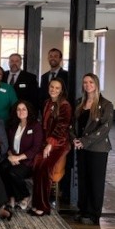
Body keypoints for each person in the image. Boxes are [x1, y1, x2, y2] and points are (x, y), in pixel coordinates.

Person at [72, 73, 114, 226]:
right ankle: (83, 209)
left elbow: (104, 129)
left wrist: (84, 141)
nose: (87, 85)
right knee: (82, 180)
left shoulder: (106, 104)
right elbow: (73, 125)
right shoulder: (79, 103)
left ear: (96, 84)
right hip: (81, 147)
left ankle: (93, 213)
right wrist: (74, 139)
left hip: (98, 148)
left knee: (95, 181)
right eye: (85, 82)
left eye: (90, 82)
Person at [29, 77, 72, 217]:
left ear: (61, 90)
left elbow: (62, 127)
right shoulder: (46, 102)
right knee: (36, 166)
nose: (53, 90)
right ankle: (36, 203)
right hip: (46, 142)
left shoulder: (65, 105)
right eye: (52, 87)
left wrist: (50, 144)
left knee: (44, 169)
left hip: (59, 144)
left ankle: (44, 207)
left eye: (57, 88)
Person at [1, 100, 43, 211]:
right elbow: (8, 145)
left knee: (13, 173)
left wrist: (18, 158)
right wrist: (10, 155)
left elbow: (36, 148)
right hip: (13, 158)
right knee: (1, 168)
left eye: (24, 109)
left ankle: (25, 196)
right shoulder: (13, 126)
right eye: (18, 109)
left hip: (28, 161)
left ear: (29, 110)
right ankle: (11, 197)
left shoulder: (36, 126)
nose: (21, 111)